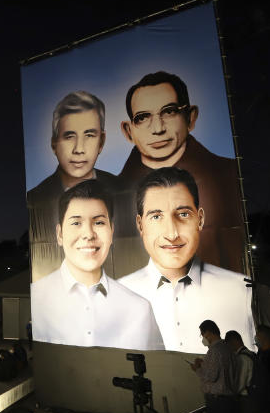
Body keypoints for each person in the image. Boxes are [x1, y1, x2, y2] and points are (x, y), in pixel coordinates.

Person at [117, 71, 244, 271]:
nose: (157, 128)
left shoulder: (230, 176)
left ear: (190, 117)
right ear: (128, 130)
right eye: (142, 117)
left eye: (169, 112)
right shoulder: (111, 195)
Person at [119, 167, 254, 354]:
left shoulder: (240, 290)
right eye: (156, 217)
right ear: (140, 225)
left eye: (183, 214)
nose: (172, 234)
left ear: (200, 219)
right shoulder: (118, 295)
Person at [30, 180, 164, 349]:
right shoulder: (36, 299)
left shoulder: (139, 309)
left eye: (99, 222)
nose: (88, 234)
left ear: (111, 231)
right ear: (59, 234)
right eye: (76, 223)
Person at [27, 91, 118, 278]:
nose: (79, 149)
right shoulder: (34, 200)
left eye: (89, 135)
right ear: (54, 144)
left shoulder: (123, 189)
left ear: (102, 141)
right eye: (69, 136)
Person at [190, 320, 236, 413]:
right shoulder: (227, 347)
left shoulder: (214, 350)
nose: (203, 339)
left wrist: (196, 369)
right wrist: (204, 364)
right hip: (228, 400)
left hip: (217, 402)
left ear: (209, 333)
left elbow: (211, 376)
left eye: (202, 335)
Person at [225, 331, 256, 413]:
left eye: (228, 345)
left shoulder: (242, 358)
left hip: (246, 401)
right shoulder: (251, 354)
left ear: (234, 342)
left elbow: (239, 384)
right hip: (254, 396)